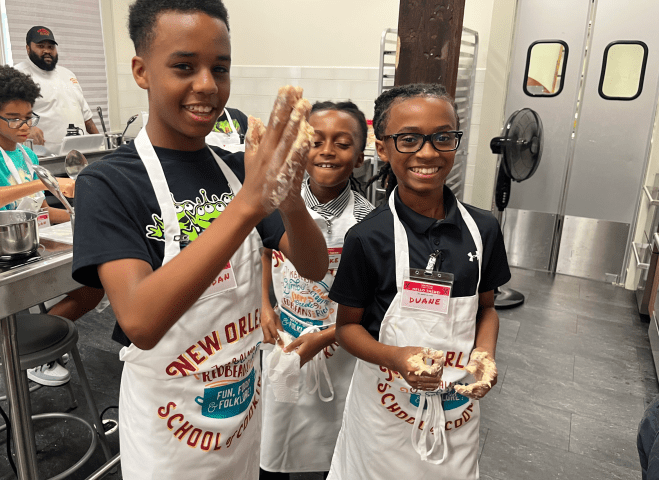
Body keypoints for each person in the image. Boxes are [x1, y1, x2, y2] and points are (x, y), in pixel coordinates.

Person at [70, 1, 328, 478]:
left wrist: (290, 199)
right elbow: (142, 321)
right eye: (184, 67)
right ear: (142, 71)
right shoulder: (107, 183)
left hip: (240, 415)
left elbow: (312, 267)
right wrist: (249, 204)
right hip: (170, 431)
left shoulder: (233, 169)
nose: (208, 85)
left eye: (220, 68)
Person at [327, 83, 511, 479]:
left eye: (442, 137)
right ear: (382, 147)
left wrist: (485, 354)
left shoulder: (483, 230)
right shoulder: (367, 238)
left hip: (455, 416)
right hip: (384, 420)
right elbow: (347, 329)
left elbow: (488, 308)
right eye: (408, 139)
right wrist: (396, 357)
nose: (428, 153)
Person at [0, 64, 104, 386]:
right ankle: (32, 350)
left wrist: (75, 213)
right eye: (14, 118)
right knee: (86, 283)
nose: (25, 125)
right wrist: (42, 185)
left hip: (32, 245)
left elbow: (39, 212)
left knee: (95, 282)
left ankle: (42, 339)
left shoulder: (27, 156)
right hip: (3, 257)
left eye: (28, 117)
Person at [259, 101, 374, 480]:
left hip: (336, 346)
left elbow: (372, 300)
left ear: (359, 158)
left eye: (342, 143)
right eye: (316, 140)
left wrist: (325, 338)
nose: (327, 151)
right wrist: (265, 305)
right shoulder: (278, 204)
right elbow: (266, 250)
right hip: (285, 339)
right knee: (276, 427)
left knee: (326, 435)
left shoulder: (368, 222)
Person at [15, 26, 99, 154]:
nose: (47, 51)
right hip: (42, 159)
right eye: (41, 46)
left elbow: (87, 118)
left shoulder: (68, 75)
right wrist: (26, 127)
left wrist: (101, 145)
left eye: (51, 47)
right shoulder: (17, 75)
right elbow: (4, 116)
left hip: (79, 156)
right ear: (28, 48)